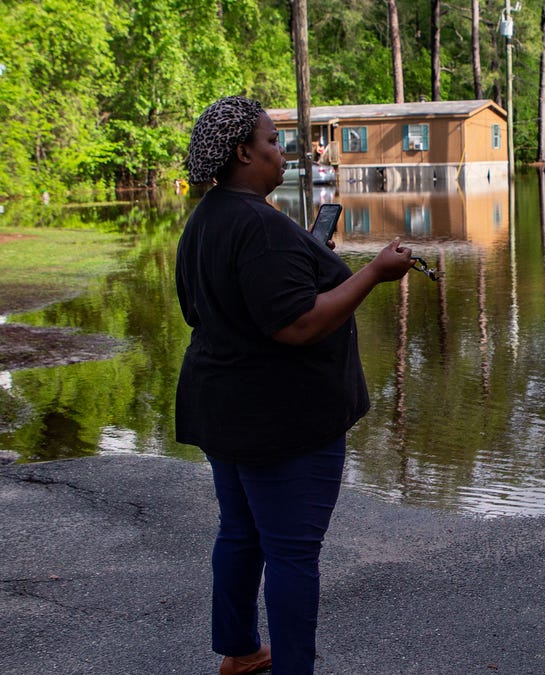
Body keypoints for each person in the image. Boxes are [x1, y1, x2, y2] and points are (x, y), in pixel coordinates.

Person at [175, 95, 414, 675]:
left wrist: (310, 255)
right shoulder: (258, 225)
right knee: (291, 554)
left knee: (241, 533)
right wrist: (375, 274)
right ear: (242, 152)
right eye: (271, 140)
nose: (282, 151)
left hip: (224, 411)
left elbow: (206, 308)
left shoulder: (206, 219)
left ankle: (239, 651)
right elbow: (297, 324)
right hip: (280, 423)